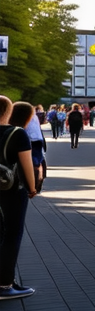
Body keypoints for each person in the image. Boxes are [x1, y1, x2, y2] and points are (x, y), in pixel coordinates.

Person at [1, 99, 40, 300]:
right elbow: (27, 166)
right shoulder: (17, 133)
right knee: (12, 234)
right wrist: (32, 188)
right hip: (12, 190)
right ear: (9, 111)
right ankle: (5, 284)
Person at [23, 105, 45, 191]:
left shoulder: (22, 115)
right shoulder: (34, 116)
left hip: (28, 138)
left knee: (29, 161)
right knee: (37, 162)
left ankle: (33, 184)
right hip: (37, 139)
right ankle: (36, 184)